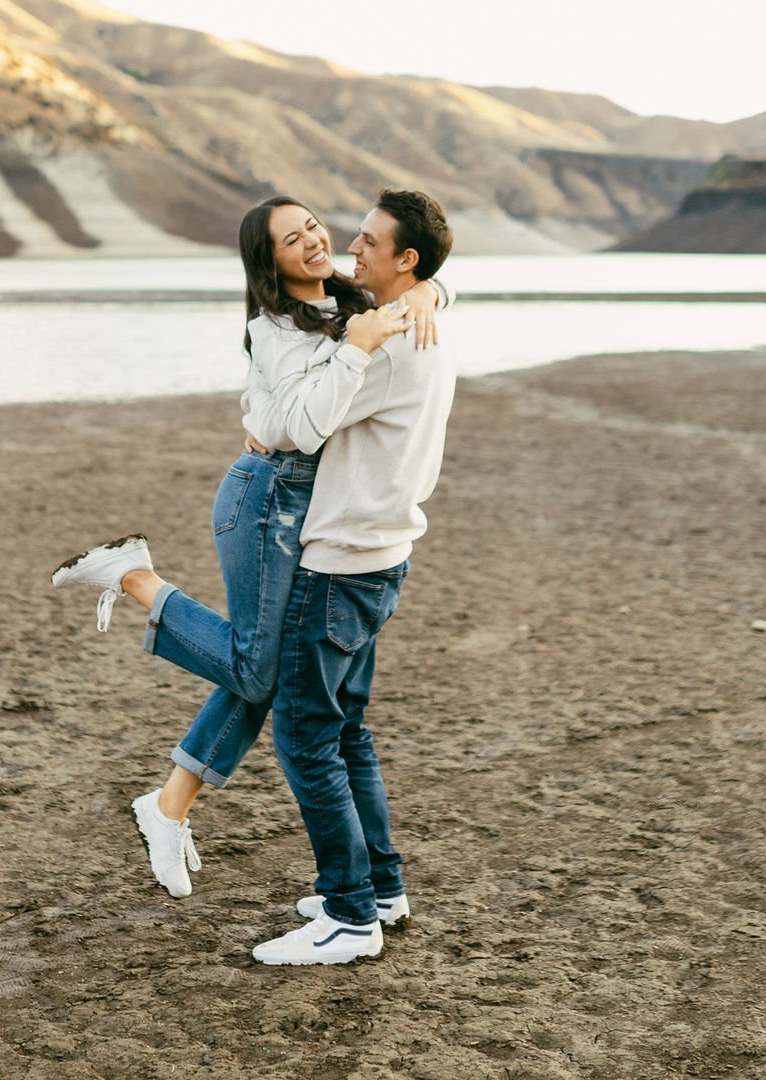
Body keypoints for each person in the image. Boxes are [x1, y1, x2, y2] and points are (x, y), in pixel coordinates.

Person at [51, 195, 446, 897]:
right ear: (269, 261)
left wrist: (430, 292)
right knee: (259, 668)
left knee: (268, 672)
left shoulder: (353, 298)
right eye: (293, 239)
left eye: (315, 226)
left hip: (308, 507)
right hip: (267, 499)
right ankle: (136, 580)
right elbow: (295, 428)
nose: (316, 241)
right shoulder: (274, 328)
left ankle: (169, 804)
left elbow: (430, 274)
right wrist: (354, 349)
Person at [246, 189, 456, 966]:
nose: (348, 251)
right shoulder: (423, 314)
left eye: (369, 243)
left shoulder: (390, 343)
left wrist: (347, 349)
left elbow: (296, 425)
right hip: (382, 558)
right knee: (349, 734)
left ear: (405, 260)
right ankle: (383, 887)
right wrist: (429, 289)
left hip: (338, 565)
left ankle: (348, 916)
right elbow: (429, 283)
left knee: (305, 739)